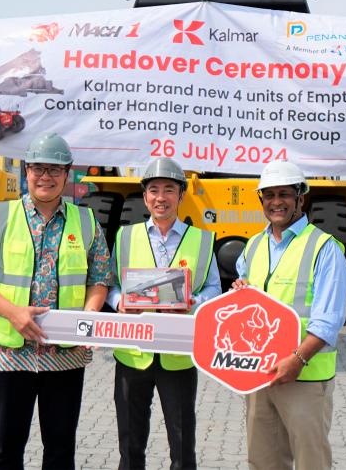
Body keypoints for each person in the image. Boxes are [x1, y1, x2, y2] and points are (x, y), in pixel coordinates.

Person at [0, 132, 112, 470]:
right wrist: (13, 313)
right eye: (38, 168)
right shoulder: (0, 218)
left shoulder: (85, 223)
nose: (46, 177)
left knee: (59, 451)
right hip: (10, 355)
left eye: (55, 170)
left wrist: (87, 319)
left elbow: (99, 278)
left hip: (65, 358)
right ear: (26, 171)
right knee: (6, 450)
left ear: (67, 174)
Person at [232, 160, 346, 470]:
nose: (276, 202)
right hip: (261, 375)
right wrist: (240, 291)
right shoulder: (253, 246)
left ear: (301, 198)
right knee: (263, 461)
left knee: (311, 462)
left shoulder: (325, 249)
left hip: (304, 376)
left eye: (284, 194)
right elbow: (247, 305)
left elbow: (329, 320)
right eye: (268, 195)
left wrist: (297, 360)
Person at [106, 157, 221, 470]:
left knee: (183, 448)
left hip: (179, 353)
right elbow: (111, 285)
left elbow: (214, 290)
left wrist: (194, 302)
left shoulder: (201, 240)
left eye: (169, 189)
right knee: (130, 446)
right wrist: (119, 303)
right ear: (145, 196)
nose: (161, 197)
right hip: (133, 353)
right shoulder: (125, 236)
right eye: (153, 190)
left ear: (181, 195)